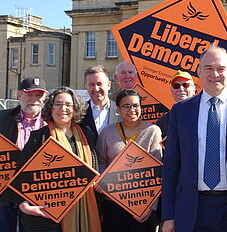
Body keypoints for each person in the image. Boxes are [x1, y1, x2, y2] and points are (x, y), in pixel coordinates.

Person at [161, 46, 227, 232]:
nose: (215, 74)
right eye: (209, 68)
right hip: (191, 208)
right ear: (199, 71)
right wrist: (168, 216)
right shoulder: (181, 111)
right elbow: (172, 166)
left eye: (220, 69)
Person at [15, 87, 101, 232]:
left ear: (75, 108)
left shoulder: (87, 134)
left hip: (83, 212)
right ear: (50, 108)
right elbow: (20, 177)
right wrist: (23, 205)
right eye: (58, 104)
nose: (63, 109)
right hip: (47, 217)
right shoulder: (39, 137)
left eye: (68, 104)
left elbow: (94, 169)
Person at [97, 89, 162, 232]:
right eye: (126, 106)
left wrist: (150, 207)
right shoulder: (107, 132)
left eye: (135, 105)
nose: (131, 110)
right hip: (113, 203)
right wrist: (103, 181)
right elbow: (101, 160)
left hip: (141, 204)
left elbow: (157, 172)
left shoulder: (153, 131)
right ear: (119, 109)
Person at [0, 77, 48, 232]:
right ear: (19, 95)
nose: (33, 99)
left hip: (35, 190)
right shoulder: (2, 118)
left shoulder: (52, 122)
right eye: (29, 94)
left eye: (38, 95)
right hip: (5, 191)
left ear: (44, 98)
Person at [81, 65, 120, 144]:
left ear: (108, 85)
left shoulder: (121, 111)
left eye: (99, 84)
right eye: (91, 85)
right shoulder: (79, 112)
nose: (96, 89)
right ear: (86, 87)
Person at [156, 70, 197, 138]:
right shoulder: (163, 122)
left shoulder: (204, 114)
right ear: (171, 91)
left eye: (186, 85)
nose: (181, 89)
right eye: (176, 86)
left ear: (194, 89)